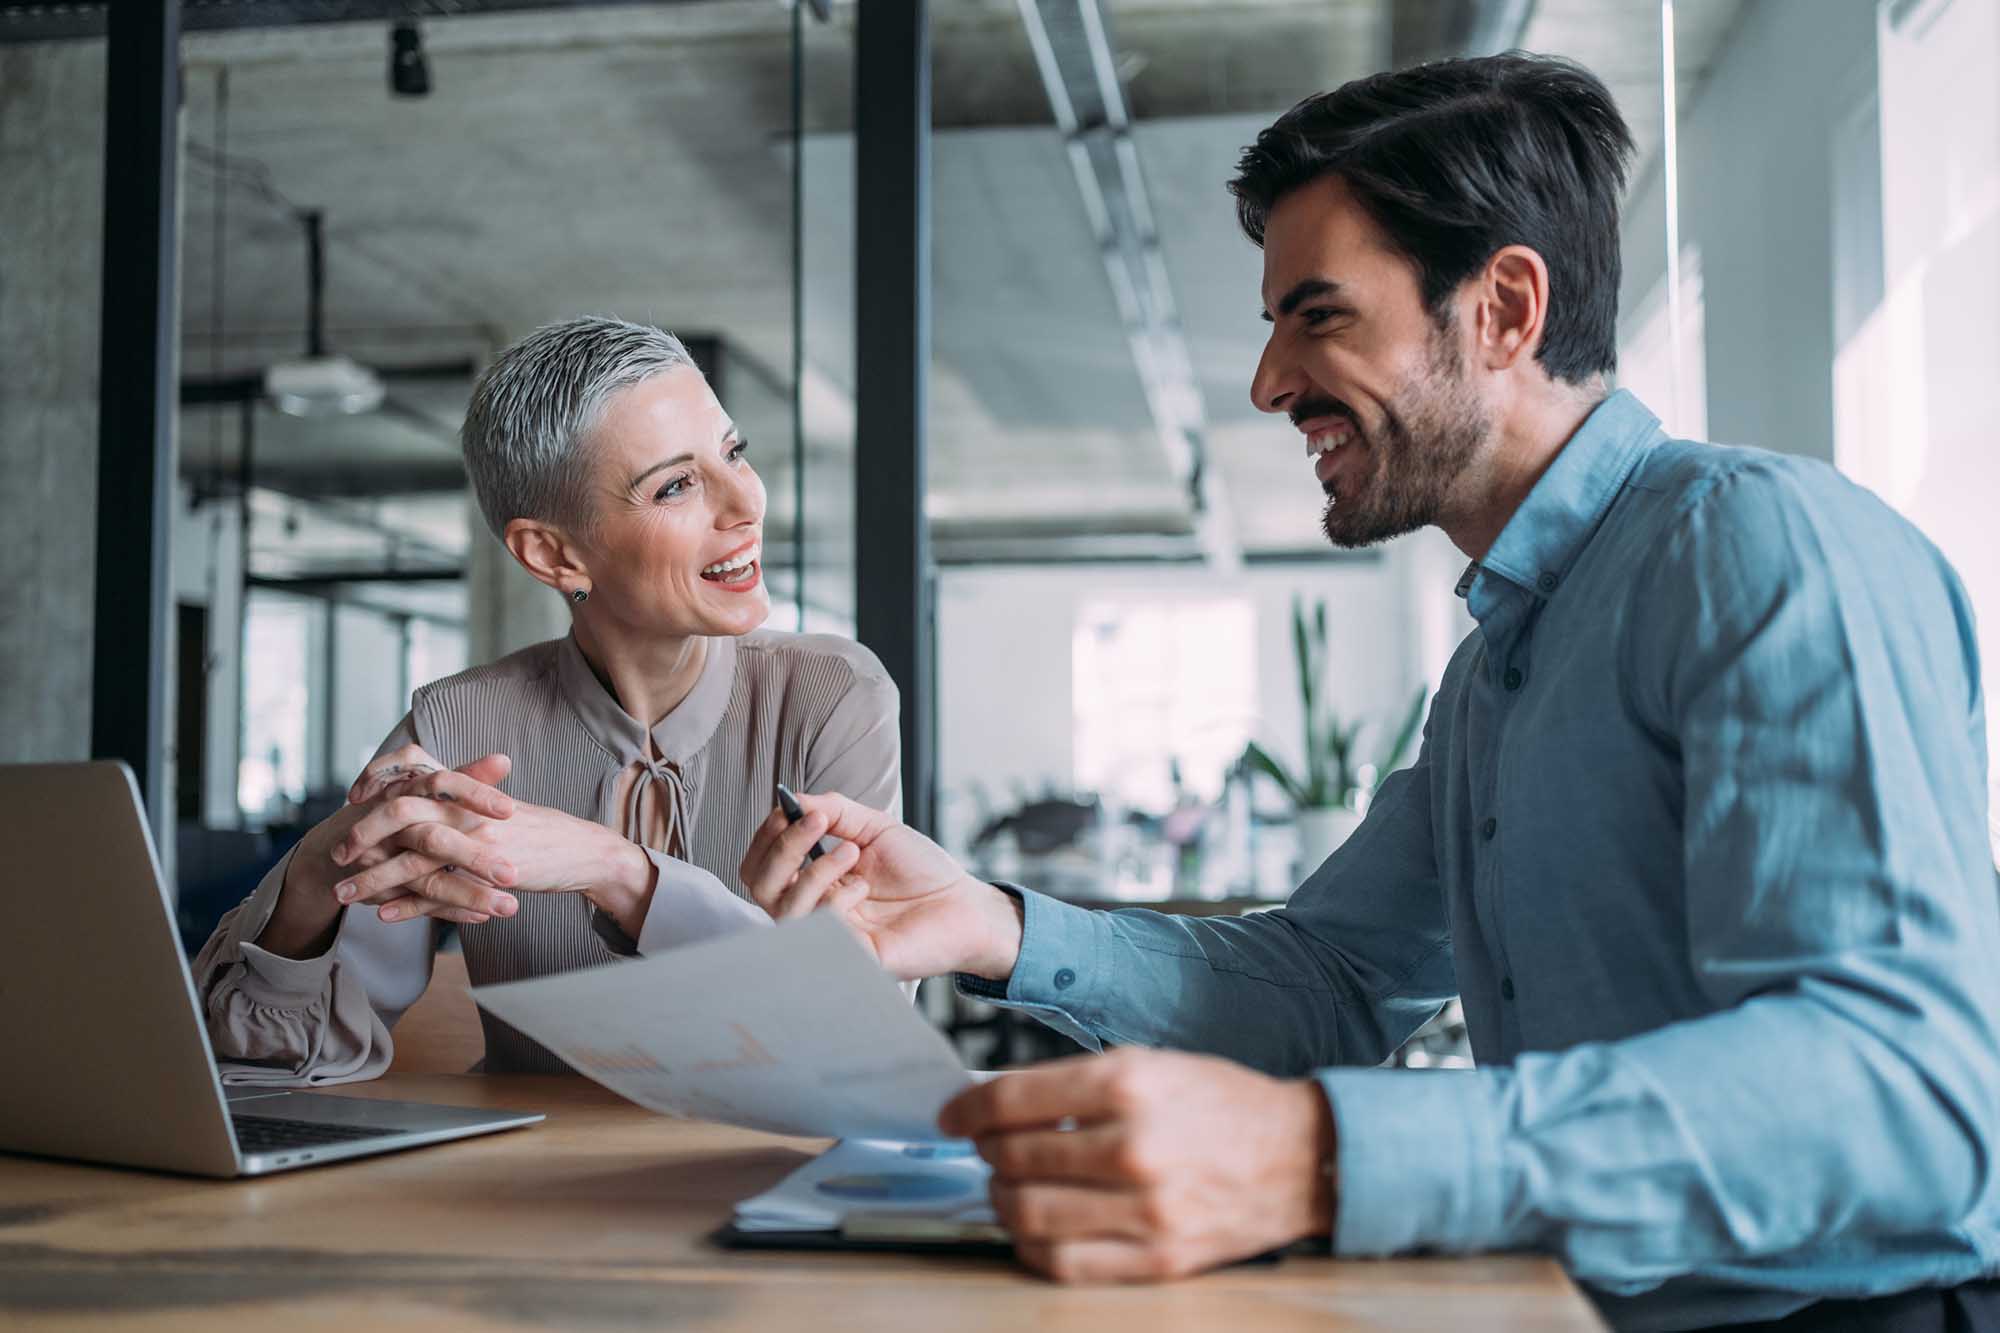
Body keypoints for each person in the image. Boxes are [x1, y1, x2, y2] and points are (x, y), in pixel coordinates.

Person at [737, 54, 2000, 1333]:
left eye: (1317, 315)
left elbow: (1907, 1091)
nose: (1268, 380)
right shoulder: (1497, 667)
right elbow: (1332, 978)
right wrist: (989, 923)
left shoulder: (1755, 550)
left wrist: (1312, 1156)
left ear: (1503, 307)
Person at [193, 316, 900, 1081]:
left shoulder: (833, 697)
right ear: (553, 553)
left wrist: (617, 869)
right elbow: (264, 1061)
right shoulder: (456, 731)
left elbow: (865, 1029)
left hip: (775, 1180)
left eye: (733, 453)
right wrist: (312, 877)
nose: (745, 504)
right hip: (526, 1188)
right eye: (676, 485)